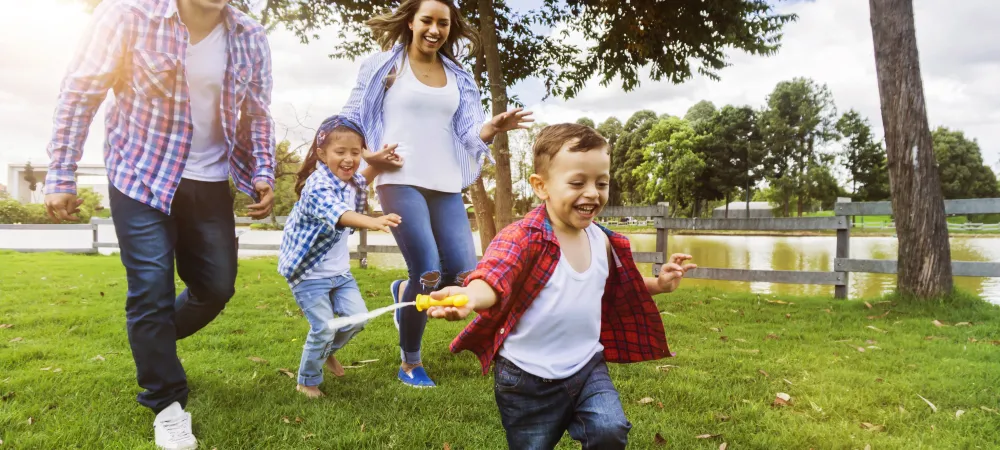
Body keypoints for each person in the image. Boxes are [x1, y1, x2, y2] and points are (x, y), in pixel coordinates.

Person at [42, 0, 276, 448]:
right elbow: (79, 93)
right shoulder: (127, 14)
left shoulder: (250, 35)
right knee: (150, 287)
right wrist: (61, 173)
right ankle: (166, 400)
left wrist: (262, 171)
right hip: (141, 174)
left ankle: (151, 340)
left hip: (209, 181)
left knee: (217, 287)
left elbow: (257, 113)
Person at [426, 123, 698, 449]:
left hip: (586, 367)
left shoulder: (604, 241)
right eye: (577, 183)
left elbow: (616, 282)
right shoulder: (524, 237)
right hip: (525, 380)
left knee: (609, 430)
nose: (592, 193)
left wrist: (658, 283)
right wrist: (470, 295)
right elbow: (495, 277)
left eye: (601, 183)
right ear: (542, 186)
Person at [341, 0, 533, 387]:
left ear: (450, 28)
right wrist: (367, 157)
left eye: (442, 23)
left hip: (445, 180)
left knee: (463, 276)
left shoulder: (459, 76)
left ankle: (404, 292)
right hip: (398, 177)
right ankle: (410, 362)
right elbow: (351, 118)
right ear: (411, 22)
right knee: (427, 272)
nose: (434, 29)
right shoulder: (383, 67)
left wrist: (492, 127)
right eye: (426, 20)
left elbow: (466, 133)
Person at [278, 115, 403, 399]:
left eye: (355, 152)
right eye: (340, 152)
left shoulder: (349, 180)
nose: (348, 159)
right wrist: (372, 221)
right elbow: (339, 214)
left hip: (339, 273)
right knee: (322, 327)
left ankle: (325, 351)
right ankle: (307, 381)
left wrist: (377, 162)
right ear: (322, 155)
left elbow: (363, 176)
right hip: (308, 273)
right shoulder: (318, 185)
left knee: (358, 319)